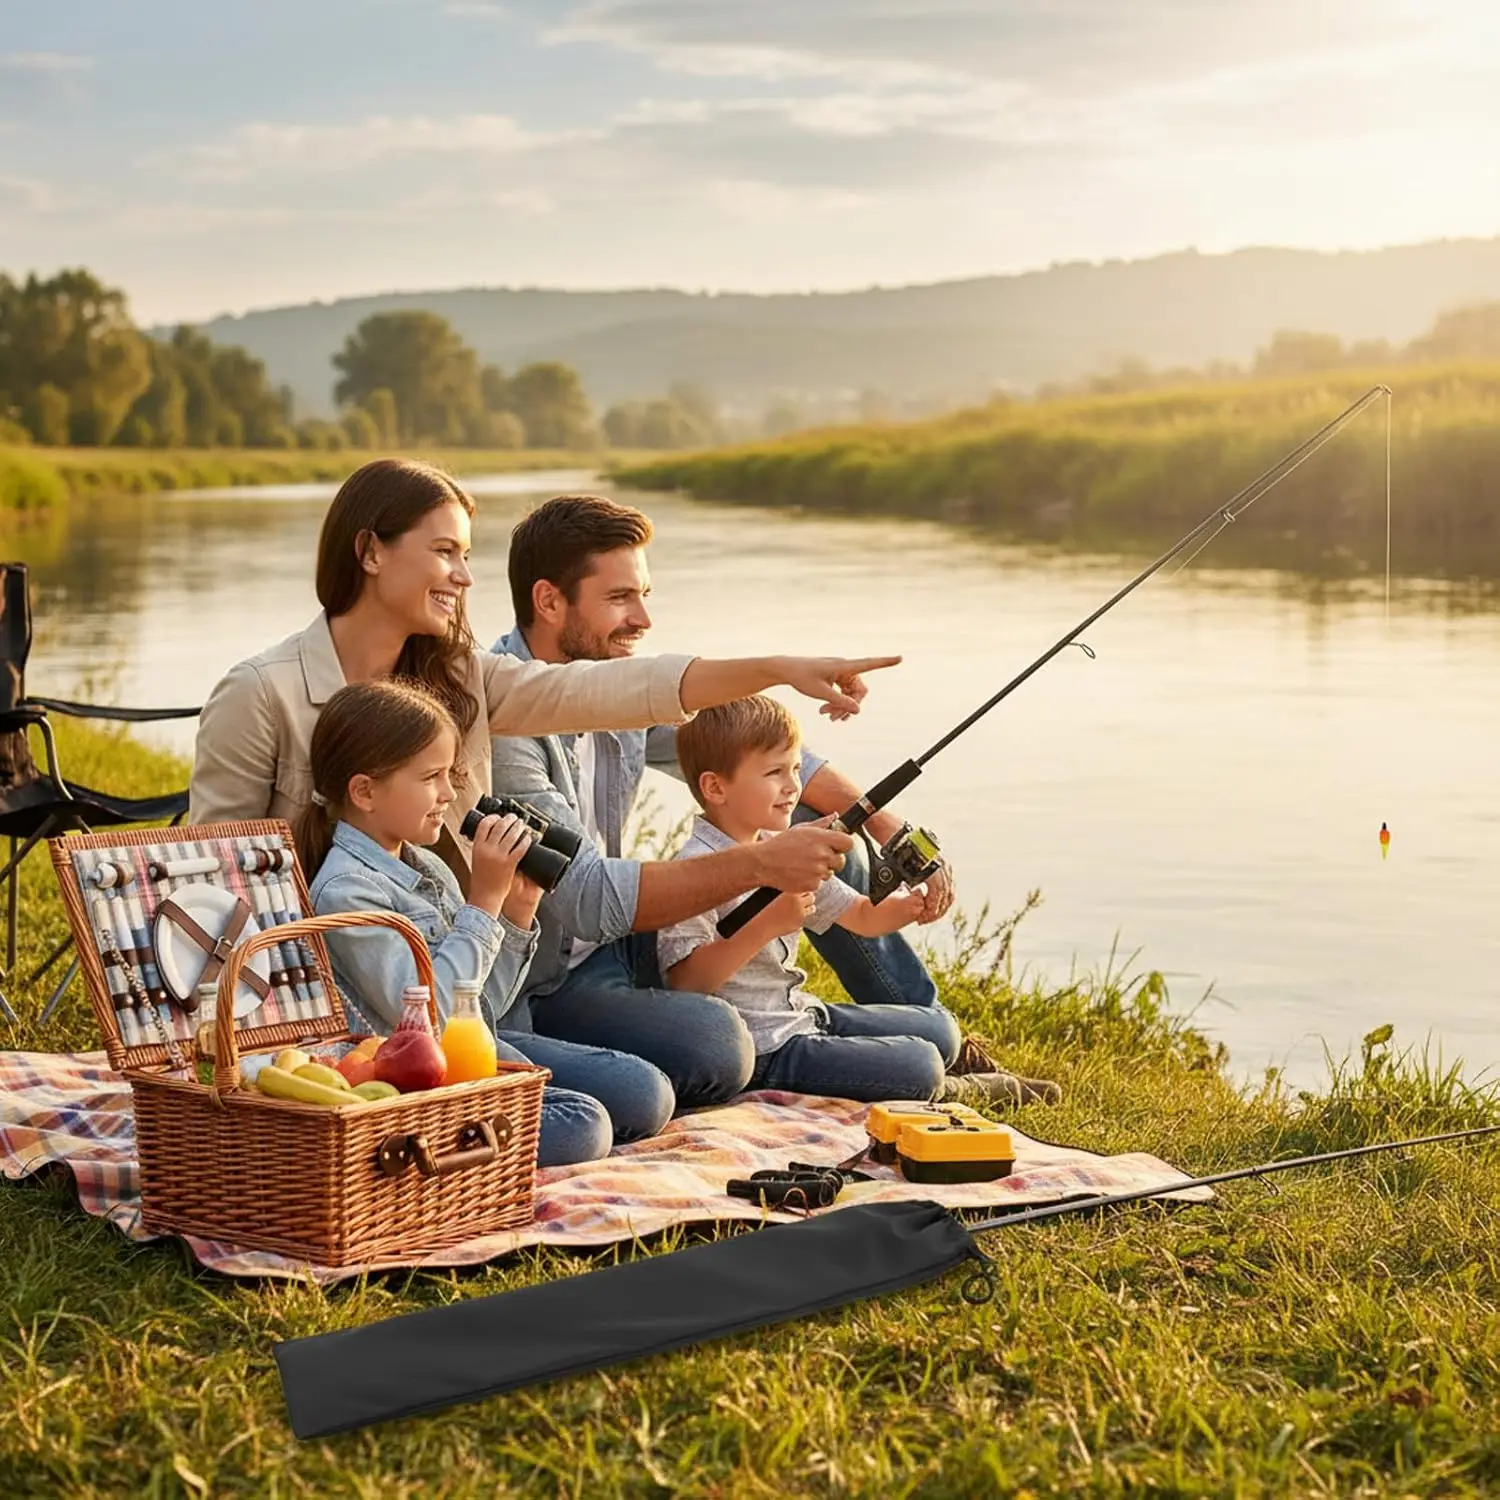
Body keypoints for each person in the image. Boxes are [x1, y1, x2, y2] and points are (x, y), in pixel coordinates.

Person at [189, 459, 898, 903]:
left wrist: (779, 669)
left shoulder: (462, 677)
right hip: (314, 989)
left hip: (462, 976)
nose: (465, 577)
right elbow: (209, 883)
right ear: (371, 551)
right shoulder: (260, 693)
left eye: (465, 555)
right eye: (445, 552)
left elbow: (608, 690)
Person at [489, 493, 972, 1114]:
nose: (642, 620)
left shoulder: (610, 681)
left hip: (625, 942)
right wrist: (764, 868)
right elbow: (584, 900)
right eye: (619, 599)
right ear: (550, 601)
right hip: (556, 971)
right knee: (715, 1047)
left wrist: (886, 823)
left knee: (808, 822)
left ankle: (879, 1025)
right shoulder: (502, 718)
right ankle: (790, 1047)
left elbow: (747, 752)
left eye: (644, 596)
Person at [300, 678, 676, 1160]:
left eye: (449, 775)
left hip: (476, 1052)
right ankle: (450, 1159)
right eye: (430, 777)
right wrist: (483, 902)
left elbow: (478, 1011)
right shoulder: (345, 893)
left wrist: (516, 908)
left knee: (646, 1094)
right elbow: (430, 1020)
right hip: (426, 1090)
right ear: (365, 792)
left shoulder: (426, 864)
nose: (447, 793)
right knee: (584, 1126)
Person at [658, 697, 1062, 1105]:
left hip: (802, 1015)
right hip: (765, 1049)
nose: (794, 786)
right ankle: (957, 1089)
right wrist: (767, 924)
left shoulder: (782, 849)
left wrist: (906, 907)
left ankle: (920, 1071)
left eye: (796, 768)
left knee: (941, 1030)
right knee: (920, 1064)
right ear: (715, 787)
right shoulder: (695, 869)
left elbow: (861, 917)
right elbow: (686, 982)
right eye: (774, 772)